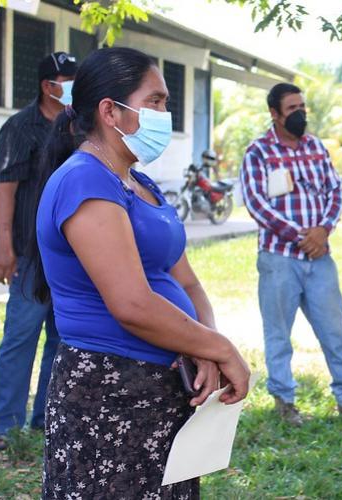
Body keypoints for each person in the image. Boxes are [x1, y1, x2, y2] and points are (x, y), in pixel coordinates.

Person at [31, 47, 249, 498]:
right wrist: (219, 348)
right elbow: (131, 303)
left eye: (165, 103)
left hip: (162, 390)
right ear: (110, 111)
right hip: (111, 393)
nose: (164, 115)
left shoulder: (138, 182)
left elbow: (186, 281)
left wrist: (204, 345)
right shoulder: (85, 181)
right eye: (155, 102)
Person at [240, 83, 342, 426]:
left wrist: (324, 230)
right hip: (279, 258)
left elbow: (335, 191)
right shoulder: (258, 152)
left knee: (335, 332)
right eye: (292, 108)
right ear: (274, 113)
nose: (300, 113)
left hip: (320, 258)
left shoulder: (316, 147)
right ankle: (285, 403)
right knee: (278, 335)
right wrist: (300, 236)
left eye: (302, 106)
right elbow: (256, 203)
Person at [0, 52, 77, 451]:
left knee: (63, 340)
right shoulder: (20, 128)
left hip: (72, 255)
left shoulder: (78, 126)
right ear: (47, 86)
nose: (73, 86)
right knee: (21, 337)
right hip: (30, 256)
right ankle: (3, 427)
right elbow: (5, 190)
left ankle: (47, 419)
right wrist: (4, 247)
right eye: (67, 80)